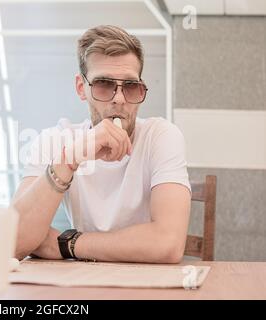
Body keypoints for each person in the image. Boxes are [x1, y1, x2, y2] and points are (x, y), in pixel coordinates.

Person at [11, 25, 191, 263]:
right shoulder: (55, 140)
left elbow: (168, 244)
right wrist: (69, 160)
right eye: (103, 84)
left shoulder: (161, 136)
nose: (118, 98)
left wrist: (67, 244)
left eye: (130, 86)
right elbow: (12, 242)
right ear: (81, 88)